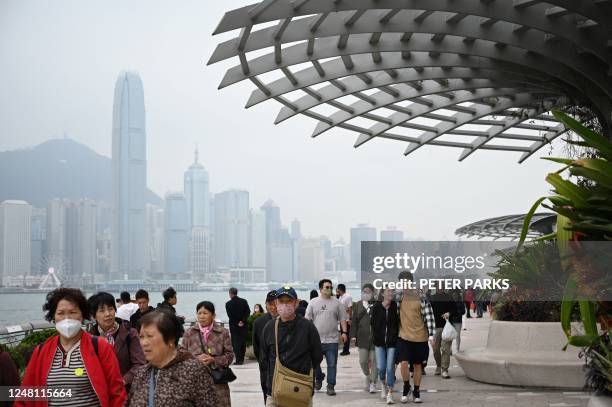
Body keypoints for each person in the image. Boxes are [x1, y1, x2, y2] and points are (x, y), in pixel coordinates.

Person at [16, 288, 126, 407]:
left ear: (82, 315)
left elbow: (117, 393)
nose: (67, 318)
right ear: (53, 317)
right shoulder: (41, 351)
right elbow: (25, 396)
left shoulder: (100, 347)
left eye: (73, 312)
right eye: (61, 313)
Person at [127, 310, 218, 407]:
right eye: (141, 337)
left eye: (150, 336)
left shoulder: (195, 371)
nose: (144, 343)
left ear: (170, 339)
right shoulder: (141, 373)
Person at [260, 286, 322, 407]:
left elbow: (317, 356)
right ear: (276, 303)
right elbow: (264, 358)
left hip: (300, 389)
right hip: (275, 392)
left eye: (289, 301)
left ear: (296, 303)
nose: (285, 305)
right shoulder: (269, 327)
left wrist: (300, 369)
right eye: (281, 301)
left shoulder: (307, 327)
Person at [87, 292, 146, 388]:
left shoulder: (130, 334)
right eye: (102, 311)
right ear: (94, 316)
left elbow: (140, 364)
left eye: (110, 309)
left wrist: (123, 381)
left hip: (125, 392)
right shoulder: (89, 338)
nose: (108, 314)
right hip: (98, 393)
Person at [182, 301, 234, 407]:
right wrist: (196, 360)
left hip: (218, 384)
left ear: (213, 315)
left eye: (205, 313)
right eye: (199, 313)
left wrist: (214, 360)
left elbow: (230, 356)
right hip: (195, 383)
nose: (202, 316)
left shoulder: (222, 332)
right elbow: (182, 356)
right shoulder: (189, 333)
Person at [396, 271, 435, 403]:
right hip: (403, 336)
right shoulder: (399, 296)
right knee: (404, 363)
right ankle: (407, 386)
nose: (404, 285)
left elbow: (429, 316)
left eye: (406, 282)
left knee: (418, 365)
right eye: (402, 282)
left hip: (420, 337)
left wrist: (431, 335)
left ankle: (416, 391)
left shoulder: (421, 296)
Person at [305, 279, 348, 396]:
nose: (329, 289)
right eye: (327, 287)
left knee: (332, 364)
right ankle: (318, 377)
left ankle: (331, 386)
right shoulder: (313, 302)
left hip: (332, 340)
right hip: (316, 341)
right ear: (321, 289)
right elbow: (307, 319)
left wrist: (344, 332)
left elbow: (343, 319)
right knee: (314, 364)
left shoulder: (337, 303)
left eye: (330, 287)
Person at [371, 288, 399, 404]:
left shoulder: (395, 306)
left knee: (390, 368)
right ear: (382, 294)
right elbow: (372, 324)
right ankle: (383, 385)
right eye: (388, 292)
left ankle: (390, 394)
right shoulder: (376, 307)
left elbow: (398, 323)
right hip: (379, 343)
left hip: (392, 343)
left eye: (392, 292)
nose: (390, 294)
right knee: (381, 368)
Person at [350, 283, 377, 394]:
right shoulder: (358, 305)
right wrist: (353, 335)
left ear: (373, 293)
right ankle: (368, 375)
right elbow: (354, 321)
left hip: (375, 339)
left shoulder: (377, 304)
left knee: (375, 361)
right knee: (363, 361)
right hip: (362, 338)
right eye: (364, 291)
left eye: (368, 291)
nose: (366, 293)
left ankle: (373, 382)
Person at [253, 291, 278, 404]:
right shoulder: (259, 322)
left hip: (286, 366)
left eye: (276, 303)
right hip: (266, 367)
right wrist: (262, 361)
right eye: (270, 304)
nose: (273, 307)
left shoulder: (289, 320)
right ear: (266, 304)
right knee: (267, 395)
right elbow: (256, 346)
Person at [429, 288, 455, 378]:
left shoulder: (449, 297)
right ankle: (438, 365)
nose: (440, 287)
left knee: (445, 349)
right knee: (435, 350)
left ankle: (444, 369)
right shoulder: (431, 298)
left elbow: (455, 309)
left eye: (442, 285)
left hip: (446, 326)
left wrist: (449, 313)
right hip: (435, 327)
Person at [225, 287, 250, 365]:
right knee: (242, 343)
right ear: (236, 292)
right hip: (243, 325)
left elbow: (230, 316)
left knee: (236, 343)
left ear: (230, 293)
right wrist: (242, 321)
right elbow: (248, 312)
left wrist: (237, 322)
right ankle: (242, 359)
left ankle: (238, 360)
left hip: (234, 326)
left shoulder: (228, 304)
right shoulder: (244, 301)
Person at [336, 284, 353, 356]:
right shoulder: (340, 297)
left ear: (340, 289)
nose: (336, 290)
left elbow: (350, 308)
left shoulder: (347, 297)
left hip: (346, 319)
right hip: (341, 319)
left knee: (346, 334)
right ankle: (345, 349)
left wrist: (350, 318)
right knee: (342, 334)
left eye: (337, 289)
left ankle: (346, 350)